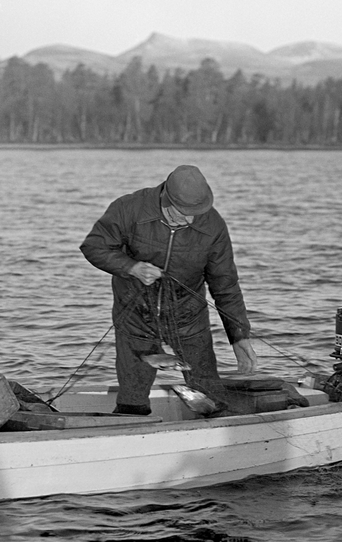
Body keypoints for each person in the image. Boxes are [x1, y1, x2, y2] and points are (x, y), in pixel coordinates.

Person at [80, 165, 258, 415]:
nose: (190, 220)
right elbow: (94, 247)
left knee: (210, 397)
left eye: (196, 213)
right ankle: (132, 430)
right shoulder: (129, 208)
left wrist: (239, 336)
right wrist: (132, 268)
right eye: (183, 213)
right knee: (132, 400)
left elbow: (225, 284)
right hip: (135, 317)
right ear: (165, 198)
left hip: (189, 317)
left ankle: (216, 435)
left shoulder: (214, 225)